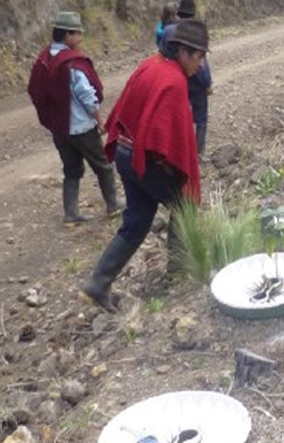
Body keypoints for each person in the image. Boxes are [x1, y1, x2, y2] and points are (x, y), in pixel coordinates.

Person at [81, 21, 208, 312]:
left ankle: (98, 283)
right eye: (199, 56)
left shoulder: (151, 65)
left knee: (136, 222)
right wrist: (173, 172)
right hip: (144, 158)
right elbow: (165, 140)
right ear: (184, 52)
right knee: (184, 205)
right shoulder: (173, 81)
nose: (201, 65)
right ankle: (179, 271)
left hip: (127, 154)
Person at [27, 11, 120, 223]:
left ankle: (71, 213)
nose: (79, 38)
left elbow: (34, 90)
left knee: (71, 170)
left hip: (59, 129)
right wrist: (100, 120)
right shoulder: (71, 63)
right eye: (77, 34)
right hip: (81, 127)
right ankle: (113, 204)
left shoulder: (44, 58)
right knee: (103, 166)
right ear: (67, 35)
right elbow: (87, 97)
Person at [154, 0, 214, 155]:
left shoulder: (167, 31)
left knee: (180, 116)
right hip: (195, 82)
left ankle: (178, 149)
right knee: (200, 119)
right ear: (193, 14)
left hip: (177, 80)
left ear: (179, 13)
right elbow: (201, 65)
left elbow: (161, 54)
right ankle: (198, 153)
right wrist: (207, 84)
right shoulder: (193, 33)